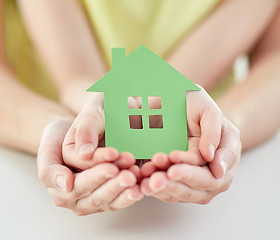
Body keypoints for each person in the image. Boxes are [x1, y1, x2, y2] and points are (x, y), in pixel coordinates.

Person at [0, 0, 279, 215]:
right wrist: (54, 124)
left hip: (201, 157)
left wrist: (224, 125)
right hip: (25, 166)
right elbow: (75, 76)